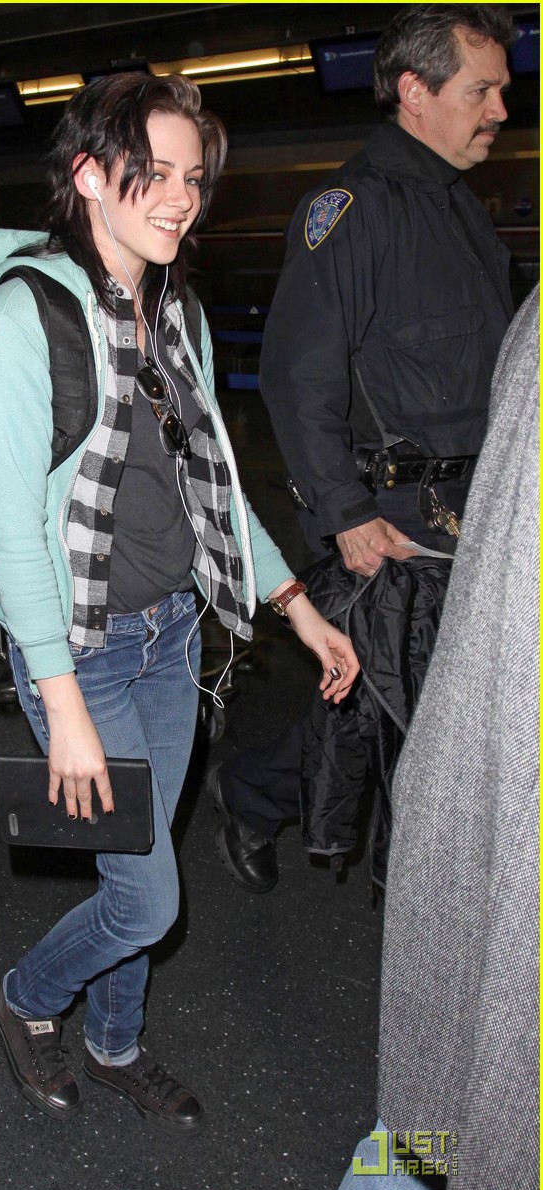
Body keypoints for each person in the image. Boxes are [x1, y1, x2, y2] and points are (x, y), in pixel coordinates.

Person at [0, 73, 359, 1132]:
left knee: (136, 873)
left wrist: (294, 604)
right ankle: (24, 998)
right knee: (147, 898)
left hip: (173, 639)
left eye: (194, 178)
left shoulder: (177, 313)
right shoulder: (15, 324)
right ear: (90, 175)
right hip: (80, 651)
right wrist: (62, 706)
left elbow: (212, 487)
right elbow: (12, 536)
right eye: (157, 174)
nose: (182, 199)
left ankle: (116, 1044)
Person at [208, 3, 515, 893]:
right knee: (393, 704)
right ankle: (263, 799)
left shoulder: (460, 209)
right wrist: (345, 515)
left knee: (411, 707)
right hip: (393, 520)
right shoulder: (351, 211)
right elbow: (298, 377)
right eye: (481, 91)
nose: (501, 110)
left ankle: (262, 797)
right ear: (415, 91)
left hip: (471, 515)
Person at [327, 284, 539, 1190]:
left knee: (432, 1122)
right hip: (485, 725)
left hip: (476, 707)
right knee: (450, 1119)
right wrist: (340, 510)